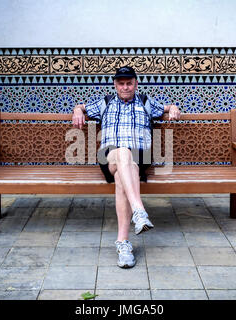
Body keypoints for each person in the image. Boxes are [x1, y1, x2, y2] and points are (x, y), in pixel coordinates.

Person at [72, 66, 181, 268]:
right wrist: (78, 110)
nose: (125, 87)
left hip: (140, 157)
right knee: (122, 153)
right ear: (115, 85)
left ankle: (123, 244)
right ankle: (139, 211)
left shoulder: (146, 102)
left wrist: (173, 107)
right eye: (121, 83)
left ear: (136, 84)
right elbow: (82, 106)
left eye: (129, 83)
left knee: (125, 172)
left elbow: (166, 108)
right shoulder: (105, 103)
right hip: (110, 156)